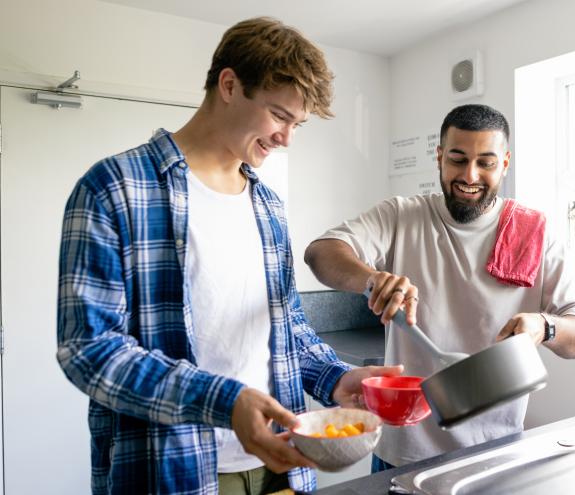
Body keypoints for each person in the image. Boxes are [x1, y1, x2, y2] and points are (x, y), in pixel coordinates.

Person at [56, 17, 400, 495]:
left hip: (280, 463)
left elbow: (287, 329)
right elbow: (90, 352)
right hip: (169, 470)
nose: (286, 139)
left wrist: (337, 379)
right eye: (280, 116)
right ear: (230, 84)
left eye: (296, 124)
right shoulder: (114, 189)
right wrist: (225, 401)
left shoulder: (267, 206)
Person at [303, 103, 575, 472]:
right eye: (457, 159)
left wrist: (544, 326)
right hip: (403, 452)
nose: (469, 175)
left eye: (486, 162)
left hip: (496, 450)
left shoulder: (534, 233)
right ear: (439, 158)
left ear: (504, 164)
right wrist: (372, 279)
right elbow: (321, 253)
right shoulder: (401, 216)